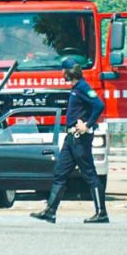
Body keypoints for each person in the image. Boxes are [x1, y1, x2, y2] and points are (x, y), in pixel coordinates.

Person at [31, 57, 106, 224]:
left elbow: (99, 105)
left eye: (62, 70)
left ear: (68, 72)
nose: (61, 73)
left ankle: (101, 213)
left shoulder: (82, 87)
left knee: (89, 173)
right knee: (60, 171)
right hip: (71, 138)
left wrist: (88, 124)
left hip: (80, 138)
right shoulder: (76, 89)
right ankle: (50, 211)